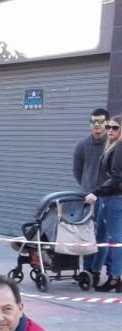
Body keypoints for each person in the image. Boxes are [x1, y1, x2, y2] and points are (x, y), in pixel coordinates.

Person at [87, 114, 122, 292]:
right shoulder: (112, 146)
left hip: (113, 197)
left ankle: (115, 277)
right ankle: (100, 271)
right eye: (108, 127)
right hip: (110, 196)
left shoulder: (119, 148)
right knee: (107, 236)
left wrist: (96, 192)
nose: (110, 130)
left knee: (115, 239)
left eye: (114, 127)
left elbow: (117, 177)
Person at [75, 108, 110, 276]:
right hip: (88, 198)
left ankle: (98, 271)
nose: (96, 125)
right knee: (87, 236)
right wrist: (87, 187)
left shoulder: (112, 144)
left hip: (108, 197)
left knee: (105, 236)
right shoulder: (82, 145)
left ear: (107, 123)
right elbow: (77, 171)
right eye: (93, 122)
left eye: (100, 121)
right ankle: (87, 271)